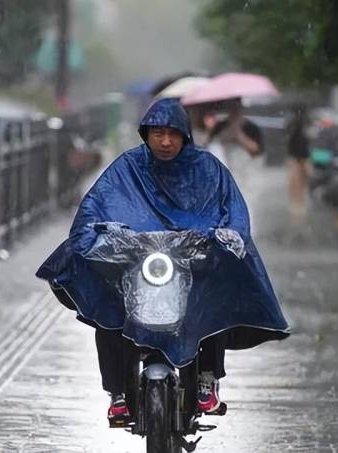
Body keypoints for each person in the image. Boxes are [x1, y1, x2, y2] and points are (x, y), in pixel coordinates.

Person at [36, 98, 290, 425]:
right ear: (146, 134)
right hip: (137, 264)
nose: (165, 141)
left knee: (213, 297)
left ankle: (206, 380)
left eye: (173, 134)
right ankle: (117, 392)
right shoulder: (127, 169)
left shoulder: (209, 170)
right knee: (109, 309)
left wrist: (228, 238)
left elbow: (233, 213)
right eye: (158, 133)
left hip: (193, 264)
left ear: (185, 135)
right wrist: (97, 238)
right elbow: (94, 209)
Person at [285, 105, 311, 226]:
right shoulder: (297, 130)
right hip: (297, 159)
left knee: (298, 190)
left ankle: (298, 217)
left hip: (298, 159)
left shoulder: (297, 129)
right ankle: (297, 217)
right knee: (297, 190)